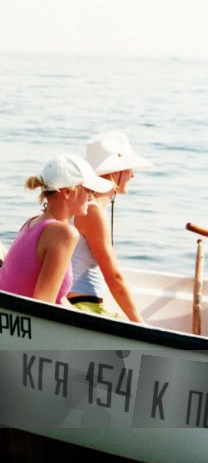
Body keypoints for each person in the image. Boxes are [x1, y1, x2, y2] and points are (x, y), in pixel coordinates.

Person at [0, 154, 113, 304]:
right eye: (89, 190)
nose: (91, 197)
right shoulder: (65, 233)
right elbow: (43, 305)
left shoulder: (31, 223)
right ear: (67, 192)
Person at [67, 131, 152, 322]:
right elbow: (113, 277)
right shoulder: (92, 211)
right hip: (83, 306)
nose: (133, 174)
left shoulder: (83, 204)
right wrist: (140, 324)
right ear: (115, 172)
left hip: (81, 302)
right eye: (129, 169)